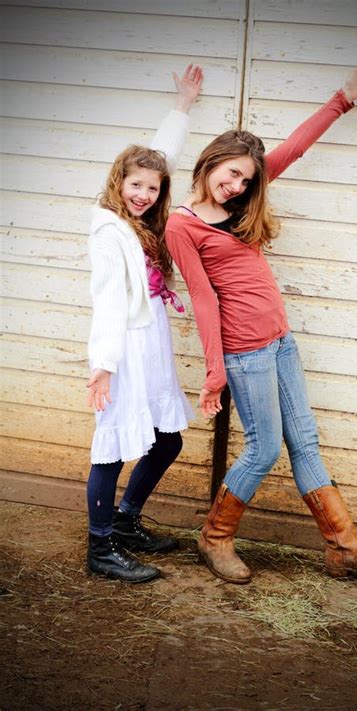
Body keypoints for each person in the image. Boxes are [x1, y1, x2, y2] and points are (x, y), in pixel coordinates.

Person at [165, 65, 357, 584]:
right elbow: (203, 300)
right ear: (210, 162)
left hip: (280, 342)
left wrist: (343, 99)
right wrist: (213, 371)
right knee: (264, 448)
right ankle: (214, 538)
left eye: (247, 178)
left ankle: (345, 548)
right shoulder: (182, 224)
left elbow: (293, 148)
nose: (236, 185)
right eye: (230, 173)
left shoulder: (246, 200)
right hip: (244, 353)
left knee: (305, 441)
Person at [86, 65, 203, 583]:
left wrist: (181, 106)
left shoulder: (145, 215)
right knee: (113, 442)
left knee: (167, 440)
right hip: (125, 347)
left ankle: (126, 520)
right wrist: (103, 367)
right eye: (136, 185)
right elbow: (108, 302)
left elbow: (162, 160)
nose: (145, 195)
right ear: (119, 181)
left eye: (153, 189)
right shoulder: (110, 232)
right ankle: (100, 547)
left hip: (152, 340)